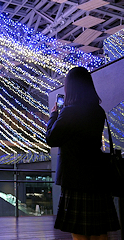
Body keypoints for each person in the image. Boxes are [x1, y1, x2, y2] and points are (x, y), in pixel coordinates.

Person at [46, 67, 120, 240]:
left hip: (76, 179)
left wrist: (53, 116)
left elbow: (51, 138)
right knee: (100, 231)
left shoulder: (69, 112)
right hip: (97, 177)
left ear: (70, 87)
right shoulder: (98, 111)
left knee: (79, 231)